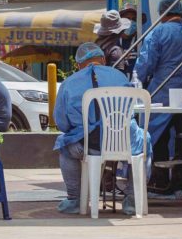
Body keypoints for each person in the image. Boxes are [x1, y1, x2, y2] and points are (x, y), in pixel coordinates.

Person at [52, 43, 145, 215]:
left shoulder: (69, 84)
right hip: (124, 143)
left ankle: (74, 200)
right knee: (144, 141)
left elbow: (62, 123)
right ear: (102, 59)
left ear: (79, 64)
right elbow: (130, 110)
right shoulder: (120, 77)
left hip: (88, 146)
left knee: (65, 147)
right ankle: (132, 200)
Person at [134, 0, 182, 163]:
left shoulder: (158, 32)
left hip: (162, 92)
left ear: (162, 13)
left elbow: (146, 64)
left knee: (156, 135)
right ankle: (181, 181)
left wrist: (134, 84)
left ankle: (159, 177)